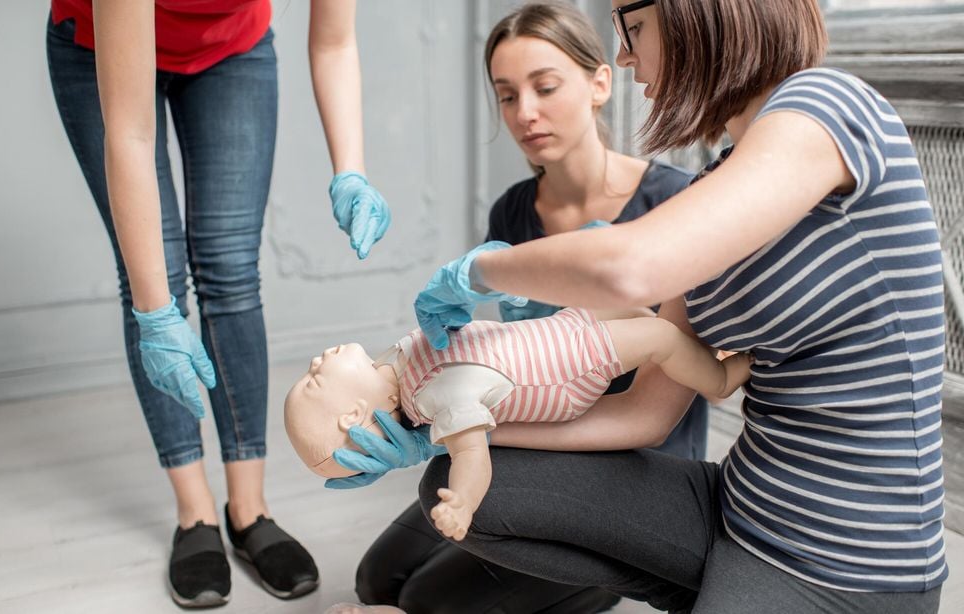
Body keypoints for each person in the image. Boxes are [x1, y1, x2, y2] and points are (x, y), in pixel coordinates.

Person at [341, 1, 948, 612]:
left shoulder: (830, 105)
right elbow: (645, 415)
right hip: (738, 505)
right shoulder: (715, 185)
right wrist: (449, 434)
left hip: (850, 560)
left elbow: (628, 269)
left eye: (632, 29)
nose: (625, 54)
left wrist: (476, 269)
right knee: (453, 486)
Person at [341, 3, 711, 612]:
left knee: (428, 603)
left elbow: (656, 404)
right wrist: (430, 421)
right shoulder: (513, 213)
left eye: (545, 87)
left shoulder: (674, 206)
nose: (525, 114)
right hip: (530, 445)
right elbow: (500, 368)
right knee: (376, 580)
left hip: (635, 461)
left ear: (600, 82)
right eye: (507, 95)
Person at [46, 0, 391, 607]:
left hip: (232, 51)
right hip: (97, 46)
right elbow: (127, 133)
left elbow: (334, 42)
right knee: (154, 279)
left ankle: (249, 511)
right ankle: (195, 515)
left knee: (232, 273)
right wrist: (156, 315)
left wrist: (351, 171)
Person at [282, 307, 751, 537]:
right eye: (313, 382)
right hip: (567, 369)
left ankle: (709, 349)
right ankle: (720, 378)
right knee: (659, 336)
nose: (315, 362)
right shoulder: (437, 396)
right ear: (352, 415)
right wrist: (462, 503)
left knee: (633, 305)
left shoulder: (401, 363)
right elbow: (472, 456)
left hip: (558, 329)